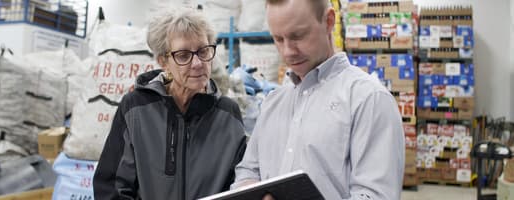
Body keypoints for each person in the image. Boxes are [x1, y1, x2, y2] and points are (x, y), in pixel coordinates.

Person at [231, 0, 405, 199]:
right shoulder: (273, 102)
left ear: (329, 22)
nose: (288, 51)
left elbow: (376, 195)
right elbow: (248, 171)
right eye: (278, 39)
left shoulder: (368, 100)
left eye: (298, 36)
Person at [93, 7, 247, 200]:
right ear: (163, 62)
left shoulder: (228, 114)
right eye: (183, 55)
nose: (198, 63)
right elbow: (110, 187)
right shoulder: (135, 108)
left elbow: (240, 185)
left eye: (203, 51)